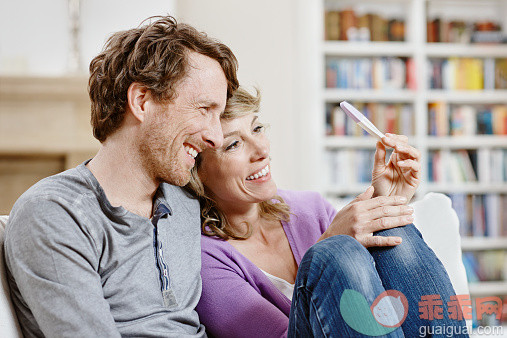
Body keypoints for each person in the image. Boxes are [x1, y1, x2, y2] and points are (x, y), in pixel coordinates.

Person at [4, 16, 238, 337]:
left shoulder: (184, 201)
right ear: (142, 101)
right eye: (203, 110)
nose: (216, 137)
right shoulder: (55, 213)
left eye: (219, 115)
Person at [186, 87, 469, 337]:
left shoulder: (309, 208)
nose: (262, 149)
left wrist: (386, 200)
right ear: (197, 172)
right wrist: (331, 241)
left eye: (257, 129)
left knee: (391, 229)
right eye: (234, 144)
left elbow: (377, 296)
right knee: (335, 253)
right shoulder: (203, 259)